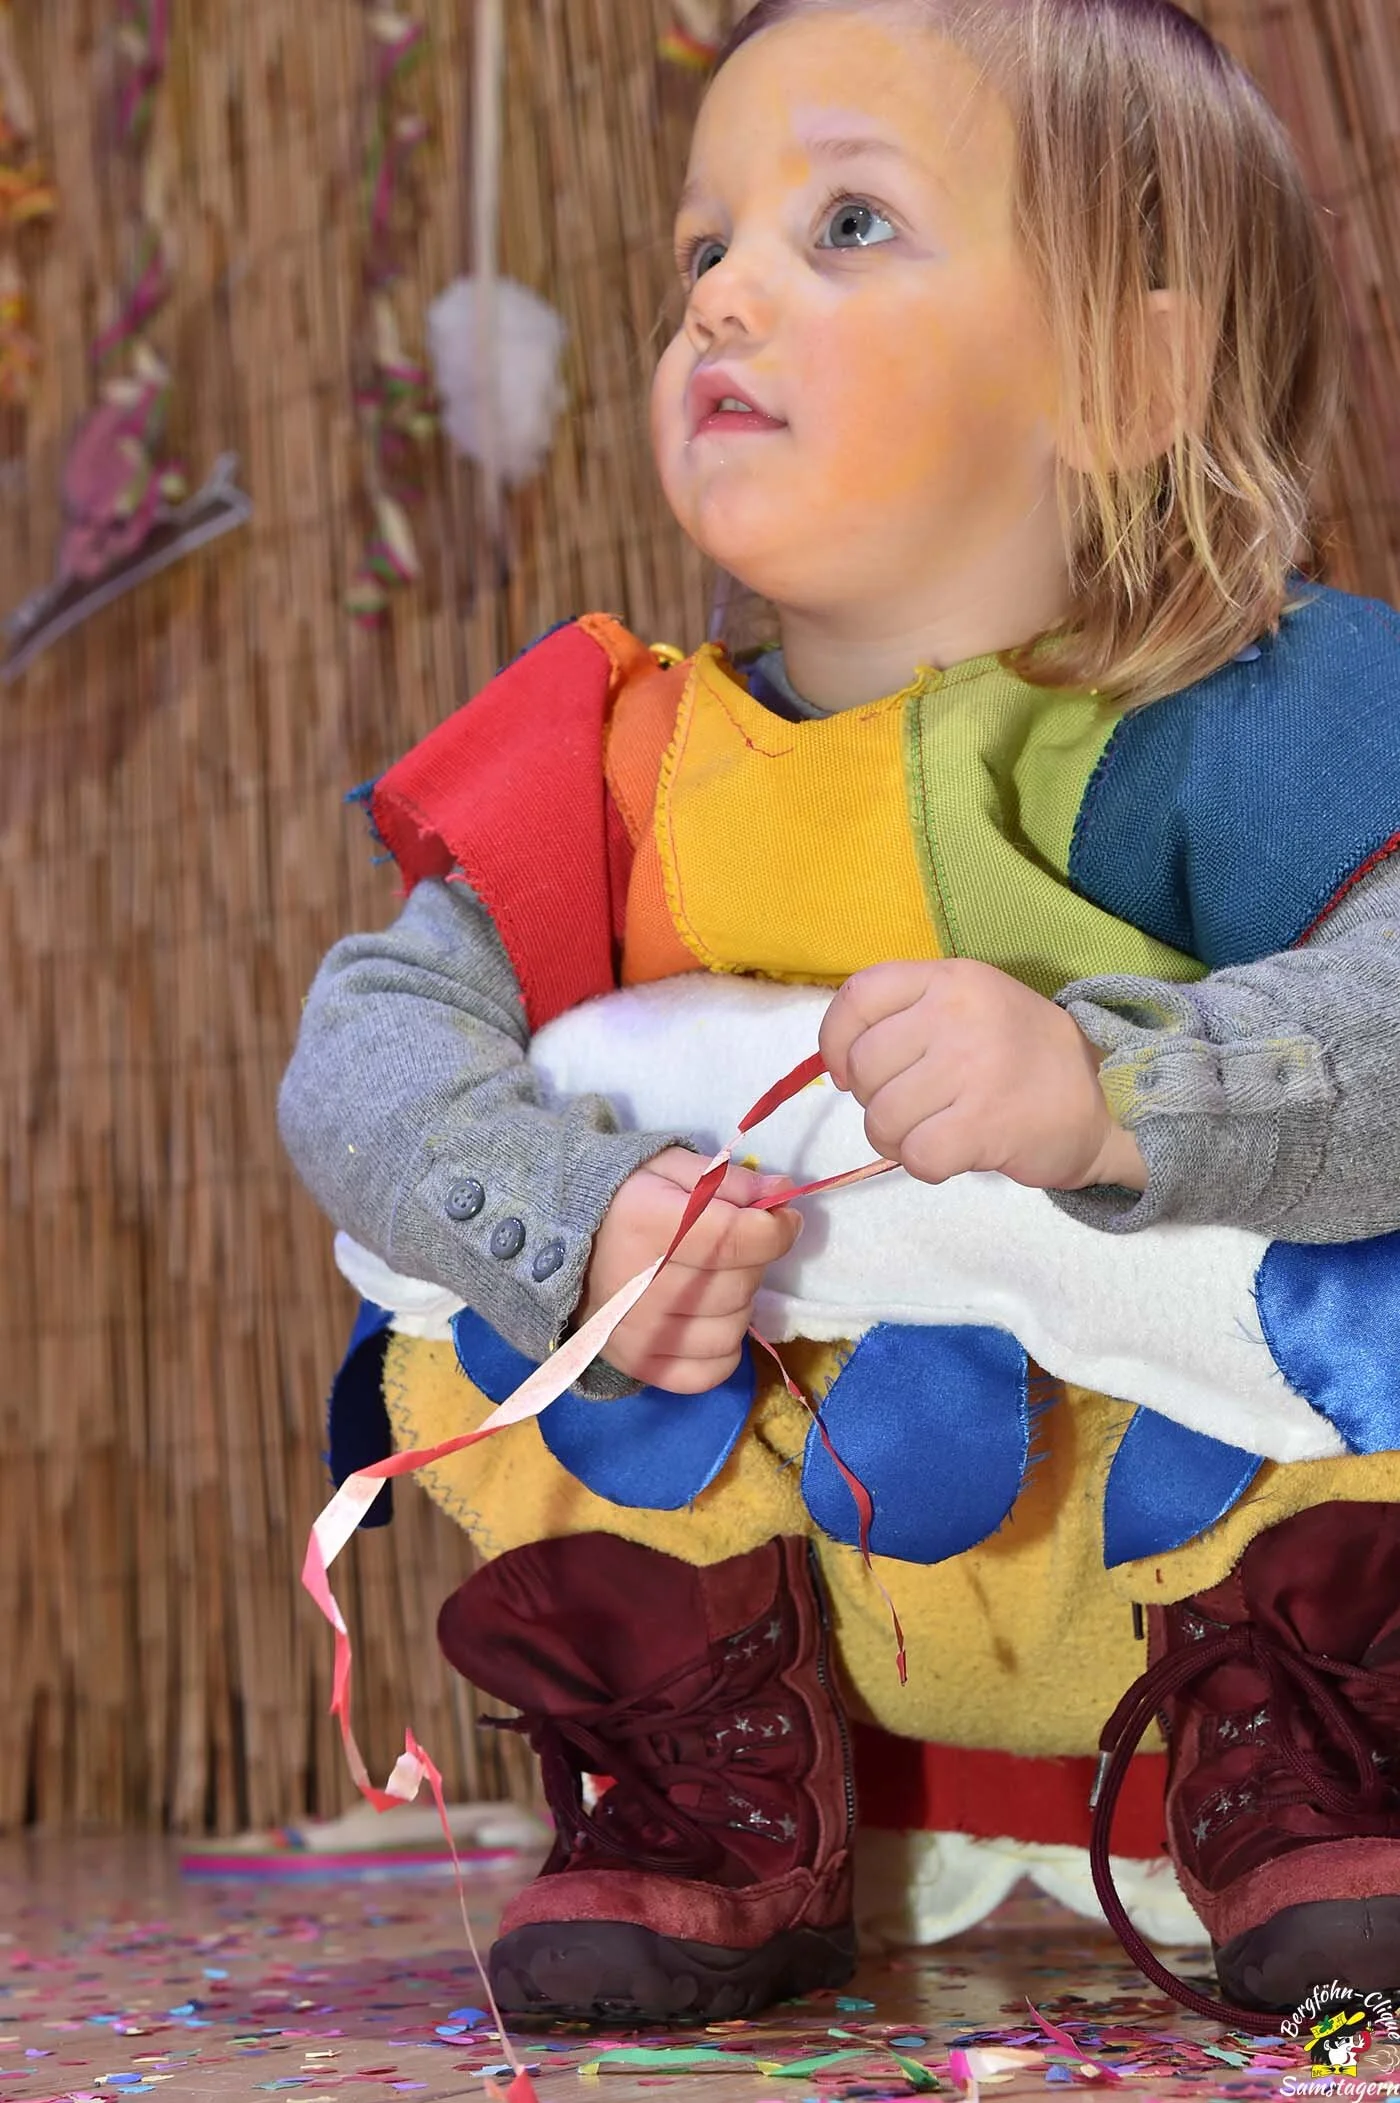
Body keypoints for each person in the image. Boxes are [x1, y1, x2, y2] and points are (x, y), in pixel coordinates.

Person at [280, 0, 1400, 2031]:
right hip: (810, 1561)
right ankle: (719, 1789)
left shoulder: (1267, 720)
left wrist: (1117, 1089)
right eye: (702, 248)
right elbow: (361, 1051)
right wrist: (576, 1221)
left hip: (1196, 1550)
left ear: (1127, 374)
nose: (720, 299)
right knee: (467, 1292)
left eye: (848, 225)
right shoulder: (612, 763)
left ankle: (1323, 1739)